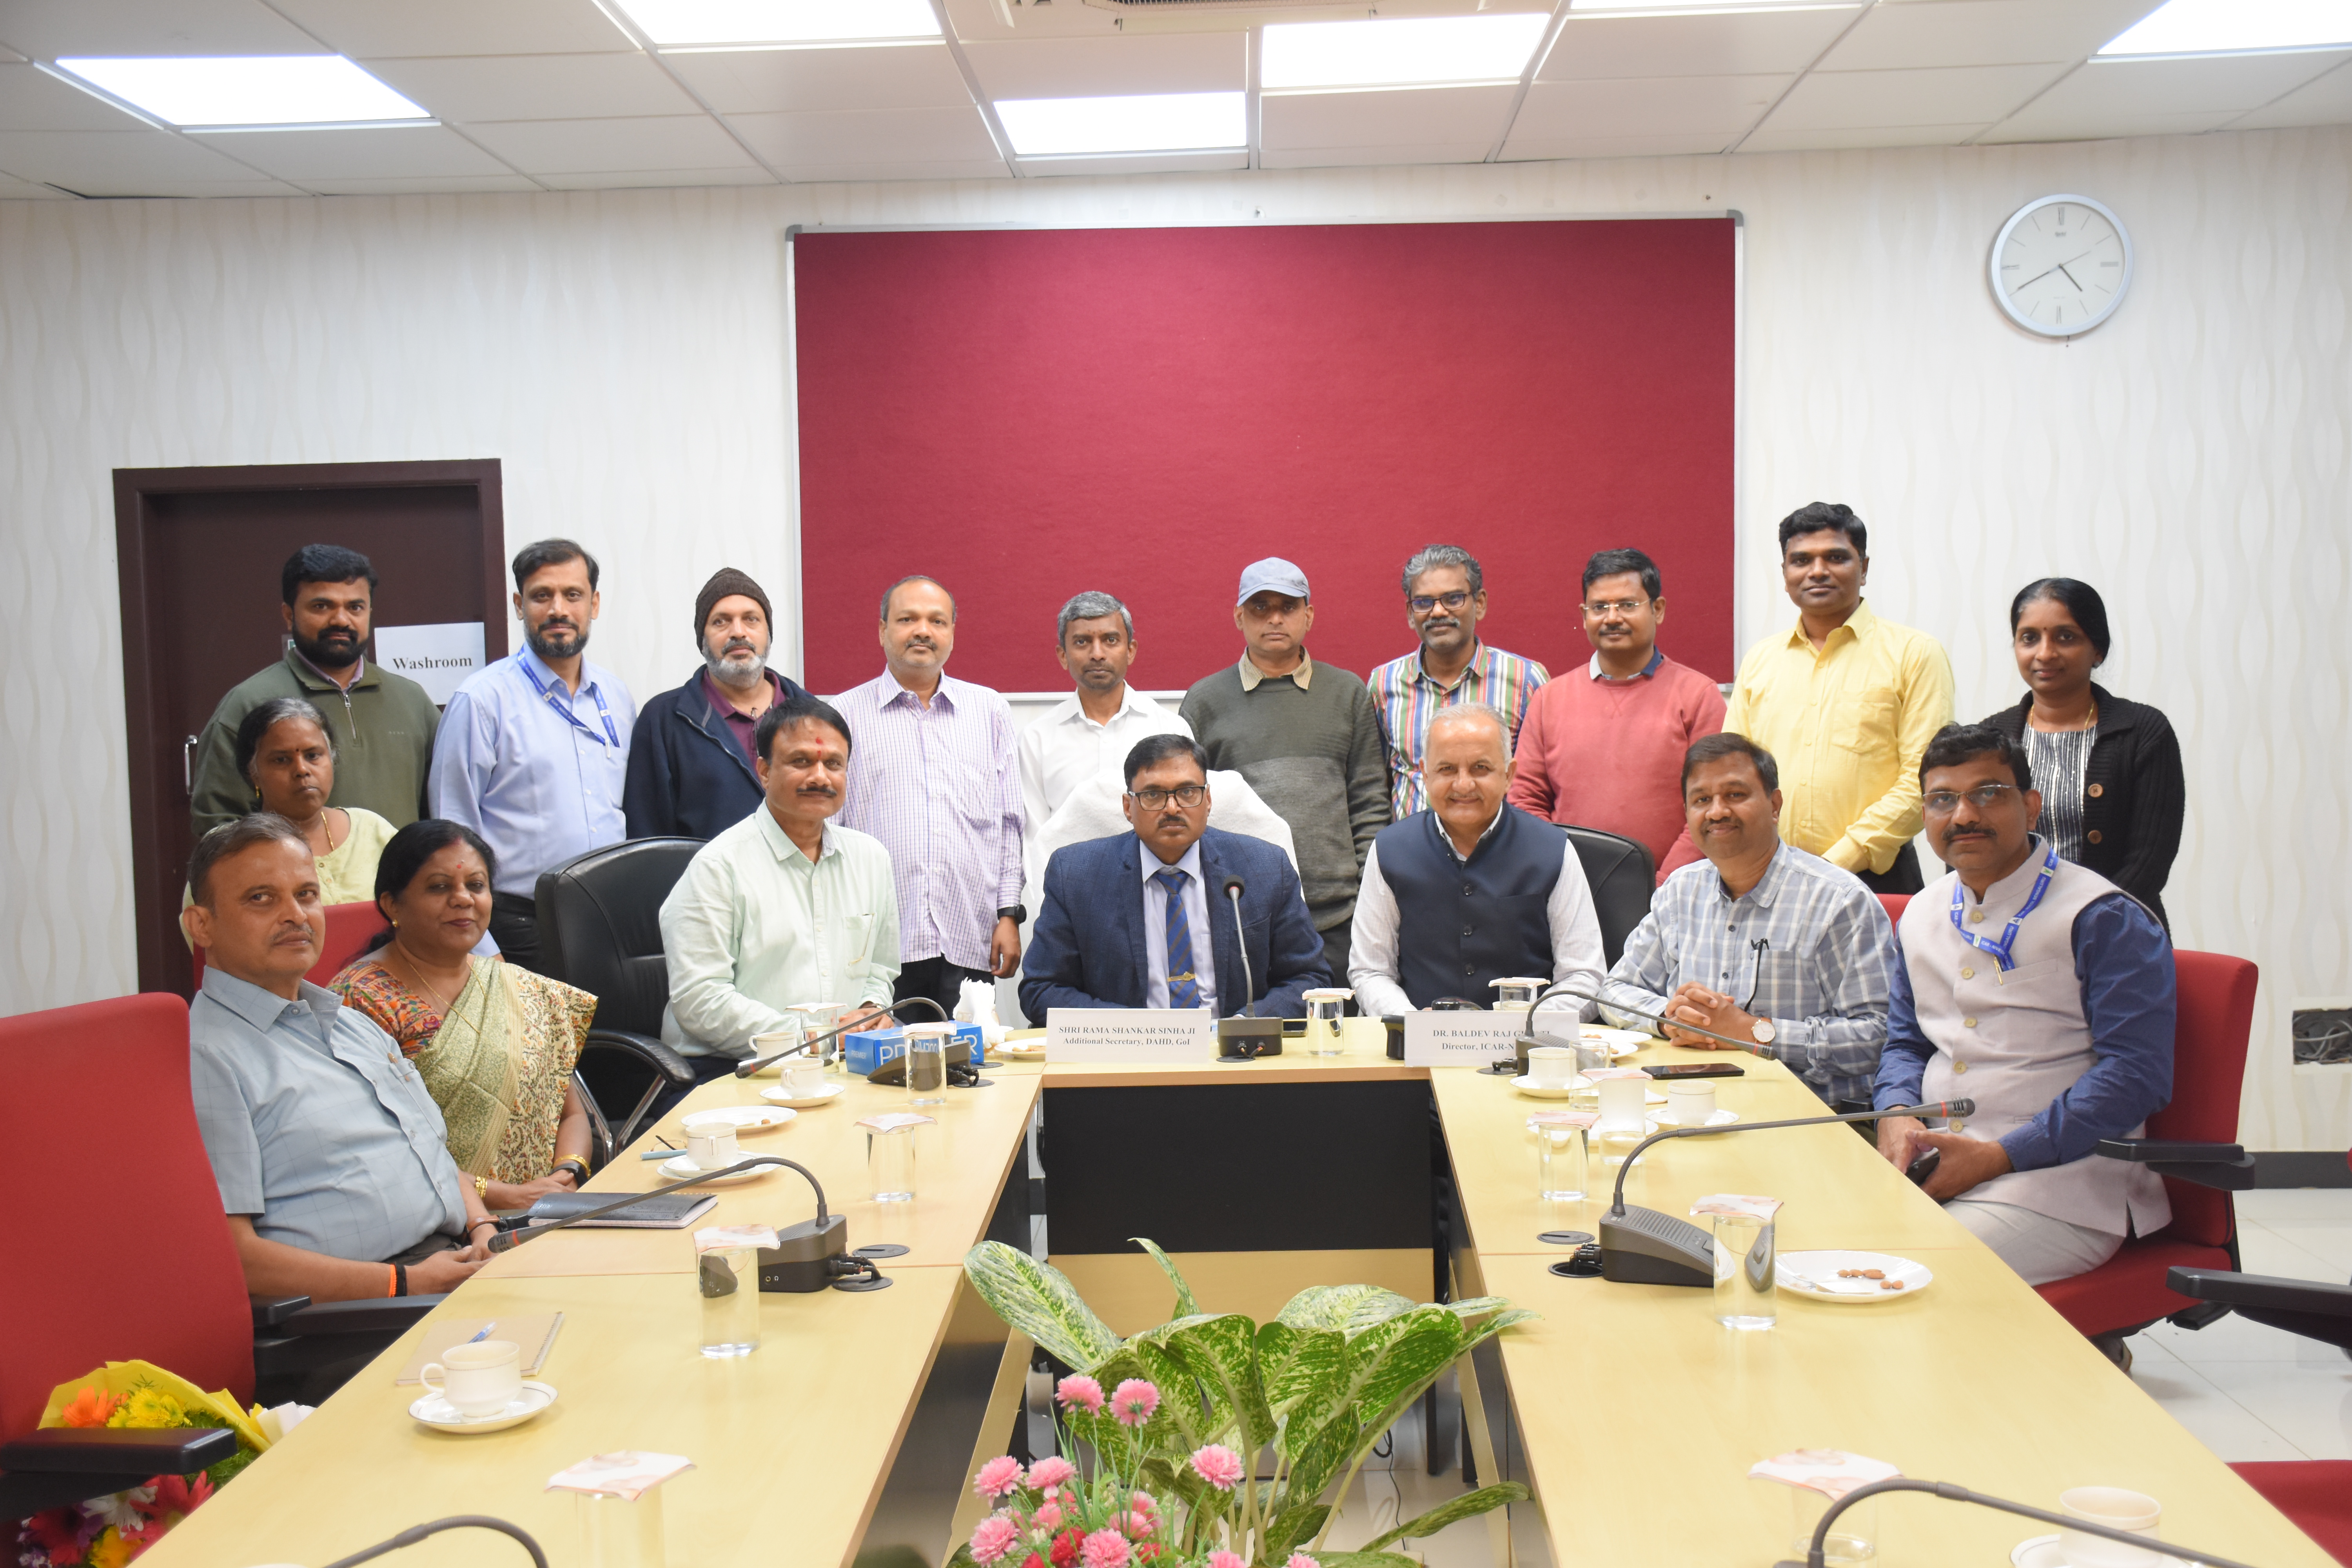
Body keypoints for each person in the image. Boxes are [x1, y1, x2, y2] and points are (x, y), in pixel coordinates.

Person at [1873, 724, 2175, 1287]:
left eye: (1988, 793)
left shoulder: (2102, 916)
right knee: (1814, 1246)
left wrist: (1999, 1157)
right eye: (1943, 800)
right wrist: (1897, 1115)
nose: (1964, 815)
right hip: (1934, 1168)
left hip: (2061, 1185)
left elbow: (2136, 1074)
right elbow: (1906, 1043)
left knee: (1916, 1280)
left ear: (2031, 805)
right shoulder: (1920, 912)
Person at [182, 814, 497, 1306]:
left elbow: (427, 1153)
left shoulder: (348, 1021)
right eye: (261, 898)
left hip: (455, 1262)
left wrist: (482, 1227)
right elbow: (235, 1258)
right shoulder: (206, 1058)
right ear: (201, 925)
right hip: (361, 1314)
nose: (295, 915)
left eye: (306, 894)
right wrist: (407, 1284)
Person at [1598, 733, 1895, 1110]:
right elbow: (1614, 989)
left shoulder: (1838, 901)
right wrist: (1669, 1019)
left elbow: (1879, 1036)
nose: (1717, 811)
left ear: (1774, 805)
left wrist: (1753, 1032)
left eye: (1735, 795)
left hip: (1804, 1118)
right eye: (1702, 800)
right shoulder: (1680, 891)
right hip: (1688, 1109)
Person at [332, 820, 598, 1211]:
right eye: (439, 887)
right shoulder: (361, 1000)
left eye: (476, 885)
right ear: (392, 904)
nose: (463, 899)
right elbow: (378, 1144)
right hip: (434, 1224)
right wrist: (507, 1196)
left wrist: (567, 1174)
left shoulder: (520, 987)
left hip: (552, 1209)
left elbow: (572, 1112)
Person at [661, 693, 899, 1076]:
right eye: (801, 761)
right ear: (765, 771)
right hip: (734, 1067)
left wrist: (872, 1011)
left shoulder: (871, 859)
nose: (820, 777)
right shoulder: (719, 867)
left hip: (842, 1063)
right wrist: (814, 1037)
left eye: (834, 764)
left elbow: (880, 970)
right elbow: (699, 1000)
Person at [1722, 503, 1955, 894]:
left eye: (1835, 557)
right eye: (1801, 560)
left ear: (1864, 569)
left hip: (1876, 878)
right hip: (1769, 878)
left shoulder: (1915, 653)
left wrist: (1837, 861)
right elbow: (1733, 773)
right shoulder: (1760, 661)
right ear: (1784, 575)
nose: (1817, 571)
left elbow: (1926, 778)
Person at [430, 539, 637, 973]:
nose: (558, 609)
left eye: (573, 595)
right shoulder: (482, 700)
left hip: (609, 918)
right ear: (520, 604)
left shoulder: (617, 696)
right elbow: (453, 829)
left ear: (594, 604)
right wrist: (481, 944)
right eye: (543, 595)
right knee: (538, 1045)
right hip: (521, 925)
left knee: (613, 1041)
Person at [1180, 558, 1387, 985]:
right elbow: (1192, 809)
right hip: (1242, 914)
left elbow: (1370, 801)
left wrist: (1368, 890)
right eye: (1260, 607)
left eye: (1288, 607)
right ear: (1239, 616)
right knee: (1249, 1038)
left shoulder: (1348, 693)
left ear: (1308, 615)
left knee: (1344, 1043)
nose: (1275, 617)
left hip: (1340, 918)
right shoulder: (1204, 702)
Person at [1021, 734, 1329, 1018]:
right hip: (1129, 1063)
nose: (1172, 808)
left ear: (1208, 801)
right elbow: (1041, 990)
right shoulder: (1076, 875)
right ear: (1128, 807)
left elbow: (1309, 979)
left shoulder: (1265, 867)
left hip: (1238, 1058)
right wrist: (1135, 1032)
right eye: (1153, 795)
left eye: (1187, 792)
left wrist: (1242, 1026)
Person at [833, 576, 1023, 1018]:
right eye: (907, 619)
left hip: (970, 932)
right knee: (880, 1075)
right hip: (878, 944)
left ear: (952, 632)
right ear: (882, 630)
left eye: (937, 621)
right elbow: (831, 828)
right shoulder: (844, 713)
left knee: (972, 1071)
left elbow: (1009, 823)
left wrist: (1009, 914)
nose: (923, 630)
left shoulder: (989, 710)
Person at [1348, 706, 1603, 1019]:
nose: (1464, 785)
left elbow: (1584, 978)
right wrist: (1412, 1023)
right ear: (1426, 775)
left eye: (1481, 768)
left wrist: (1526, 1025)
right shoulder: (1389, 850)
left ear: (1509, 774)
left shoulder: (1554, 850)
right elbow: (1370, 971)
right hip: (1416, 1053)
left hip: (1528, 1052)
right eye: (1447, 769)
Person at [191, 544, 440, 838]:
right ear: (289, 614)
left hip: (397, 883)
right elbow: (219, 825)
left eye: (355, 607)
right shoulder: (249, 703)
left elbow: (440, 811)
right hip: (296, 882)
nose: (341, 620)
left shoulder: (412, 701)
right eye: (322, 606)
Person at [1508, 548, 1725, 883]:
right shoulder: (1549, 698)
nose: (1612, 618)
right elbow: (1526, 799)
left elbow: (1713, 803)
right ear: (1584, 616)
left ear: (1658, 609)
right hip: (1568, 891)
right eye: (1599, 608)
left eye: (1627, 605)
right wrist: (1565, 880)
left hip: (1674, 895)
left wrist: (1661, 887)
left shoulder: (1698, 696)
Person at [1980, 578, 2184, 929]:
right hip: (2008, 935)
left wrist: (2075, 926)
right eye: (2029, 638)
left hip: (2119, 934)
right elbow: (1972, 850)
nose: (2045, 653)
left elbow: (2149, 861)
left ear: (2098, 649)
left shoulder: (2144, 732)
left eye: (2066, 637)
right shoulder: (1988, 739)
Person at [181, 697, 396, 937]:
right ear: (254, 773)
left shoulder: (373, 830)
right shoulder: (229, 850)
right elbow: (205, 939)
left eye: (313, 755)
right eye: (281, 760)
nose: (302, 770)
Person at [624, 567, 812, 842]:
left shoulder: (811, 714)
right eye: (721, 622)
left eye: (751, 620)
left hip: (800, 883)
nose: (738, 632)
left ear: (768, 634)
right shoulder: (663, 720)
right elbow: (648, 836)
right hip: (705, 884)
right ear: (703, 640)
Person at [1365, 545, 1549, 820]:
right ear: (1410, 613)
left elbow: (1539, 786)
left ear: (1480, 603)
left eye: (1453, 599)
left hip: (1500, 855)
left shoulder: (1526, 681)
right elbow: (1374, 783)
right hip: (1411, 855)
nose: (1438, 612)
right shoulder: (1384, 684)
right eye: (1424, 602)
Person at [1018, 591, 1191, 834]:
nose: (1097, 654)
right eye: (1082, 642)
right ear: (1063, 656)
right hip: (1068, 872)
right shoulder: (1036, 739)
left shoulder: (1170, 729)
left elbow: (1187, 819)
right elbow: (1035, 838)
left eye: (1111, 640)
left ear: (1130, 651)